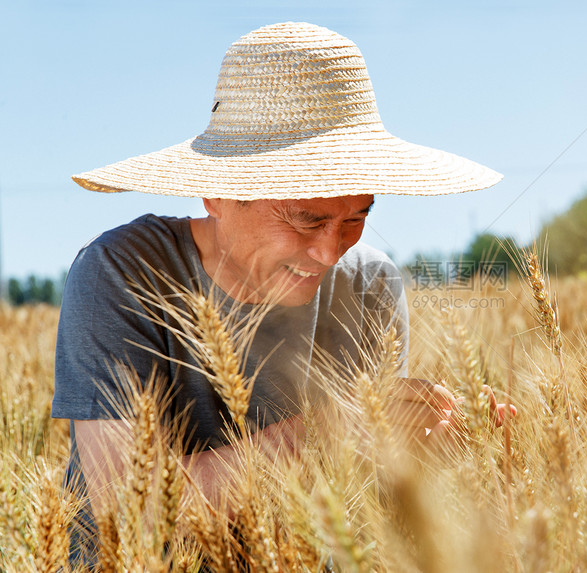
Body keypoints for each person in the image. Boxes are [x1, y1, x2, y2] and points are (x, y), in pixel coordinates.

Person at [51, 21, 512, 567]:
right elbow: (134, 511)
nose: (330, 251)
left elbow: (360, 503)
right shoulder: (120, 272)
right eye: (306, 220)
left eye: (356, 218)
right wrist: (330, 428)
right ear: (219, 190)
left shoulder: (372, 284)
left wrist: (436, 449)